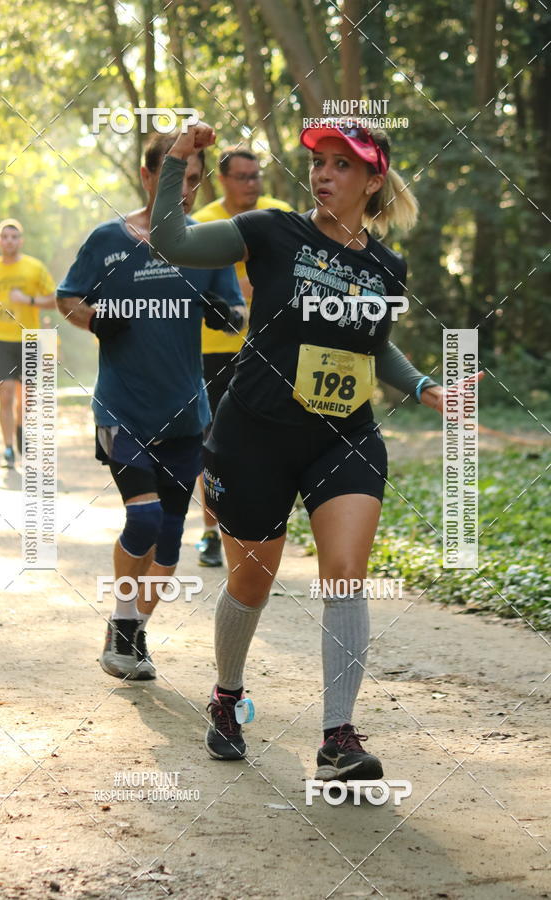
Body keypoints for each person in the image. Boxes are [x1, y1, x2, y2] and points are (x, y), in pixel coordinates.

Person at [151, 120, 483, 778]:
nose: (324, 174)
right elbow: (173, 240)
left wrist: (425, 387)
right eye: (319, 162)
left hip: (344, 436)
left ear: (373, 180)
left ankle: (337, 739)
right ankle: (227, 696)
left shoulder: (387, 266)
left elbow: (372, 343)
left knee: (345, 575)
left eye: (342, 164)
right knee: (252, 581)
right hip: (254, 434)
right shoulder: (270, 231)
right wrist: (176, 161)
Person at [56, 132, 245, 683]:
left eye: (194, 180)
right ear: (147, 177)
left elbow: (236, 311)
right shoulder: (107, 240)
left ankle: (135, 632)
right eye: (174, 176)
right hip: (122, 409)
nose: (184, 190)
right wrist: (95, 318)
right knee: (142, 517)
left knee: (168, 544)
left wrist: (223, 314)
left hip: (186, 413)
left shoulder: (207, 243)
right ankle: (120, 626)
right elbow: (67, 297)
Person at [193, 148, 293, 567]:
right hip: (215, 347)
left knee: (267, 442)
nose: (252, 184)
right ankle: (210, 531)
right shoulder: (204, 222)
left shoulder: (280, 214)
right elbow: (193, 281)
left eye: (256, 176)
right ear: (222, 180)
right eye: (243, 177)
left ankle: (258, 527)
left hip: (270, 345)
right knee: (214, 444)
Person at [0, 219, 56, 468]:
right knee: (5, 393)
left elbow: (54, 299)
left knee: (26, 397)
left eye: (14, 237)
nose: (9, 241)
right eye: (4, 237)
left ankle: (20, 428)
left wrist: (28, 300)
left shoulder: (35, 268)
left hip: (29, 338)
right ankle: (7, 448)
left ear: (21, 241)